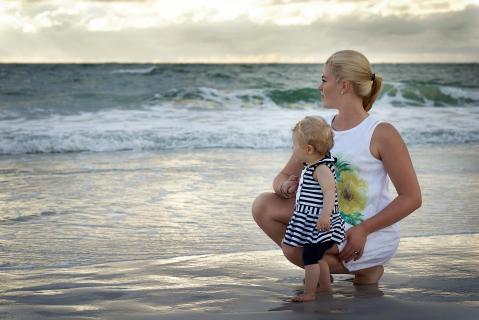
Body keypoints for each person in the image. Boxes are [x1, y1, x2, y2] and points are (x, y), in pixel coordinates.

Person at [252, 50, 422, 285]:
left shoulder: (381, 133)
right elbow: (283, 175)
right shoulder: (320, 131)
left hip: (366, 233)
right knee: (264, 206)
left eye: (323, 79)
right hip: (325, 222)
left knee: (293, 250)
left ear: (344, 86)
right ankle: (328, 269)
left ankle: (365, 268)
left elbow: (412, 197)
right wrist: (285, 187)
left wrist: (364, 229)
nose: (319, 85)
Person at [283, 116, 345, 302]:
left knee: (310, 257)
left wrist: (325, 216)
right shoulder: (311, 166)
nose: (292, 149)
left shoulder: (321, 169)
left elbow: (330, 192)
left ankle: (309, 293)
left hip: (320, 222)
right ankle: (326, 288)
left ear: (308, 150)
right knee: (318, 257)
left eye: (294, 146)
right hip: (312, 221)